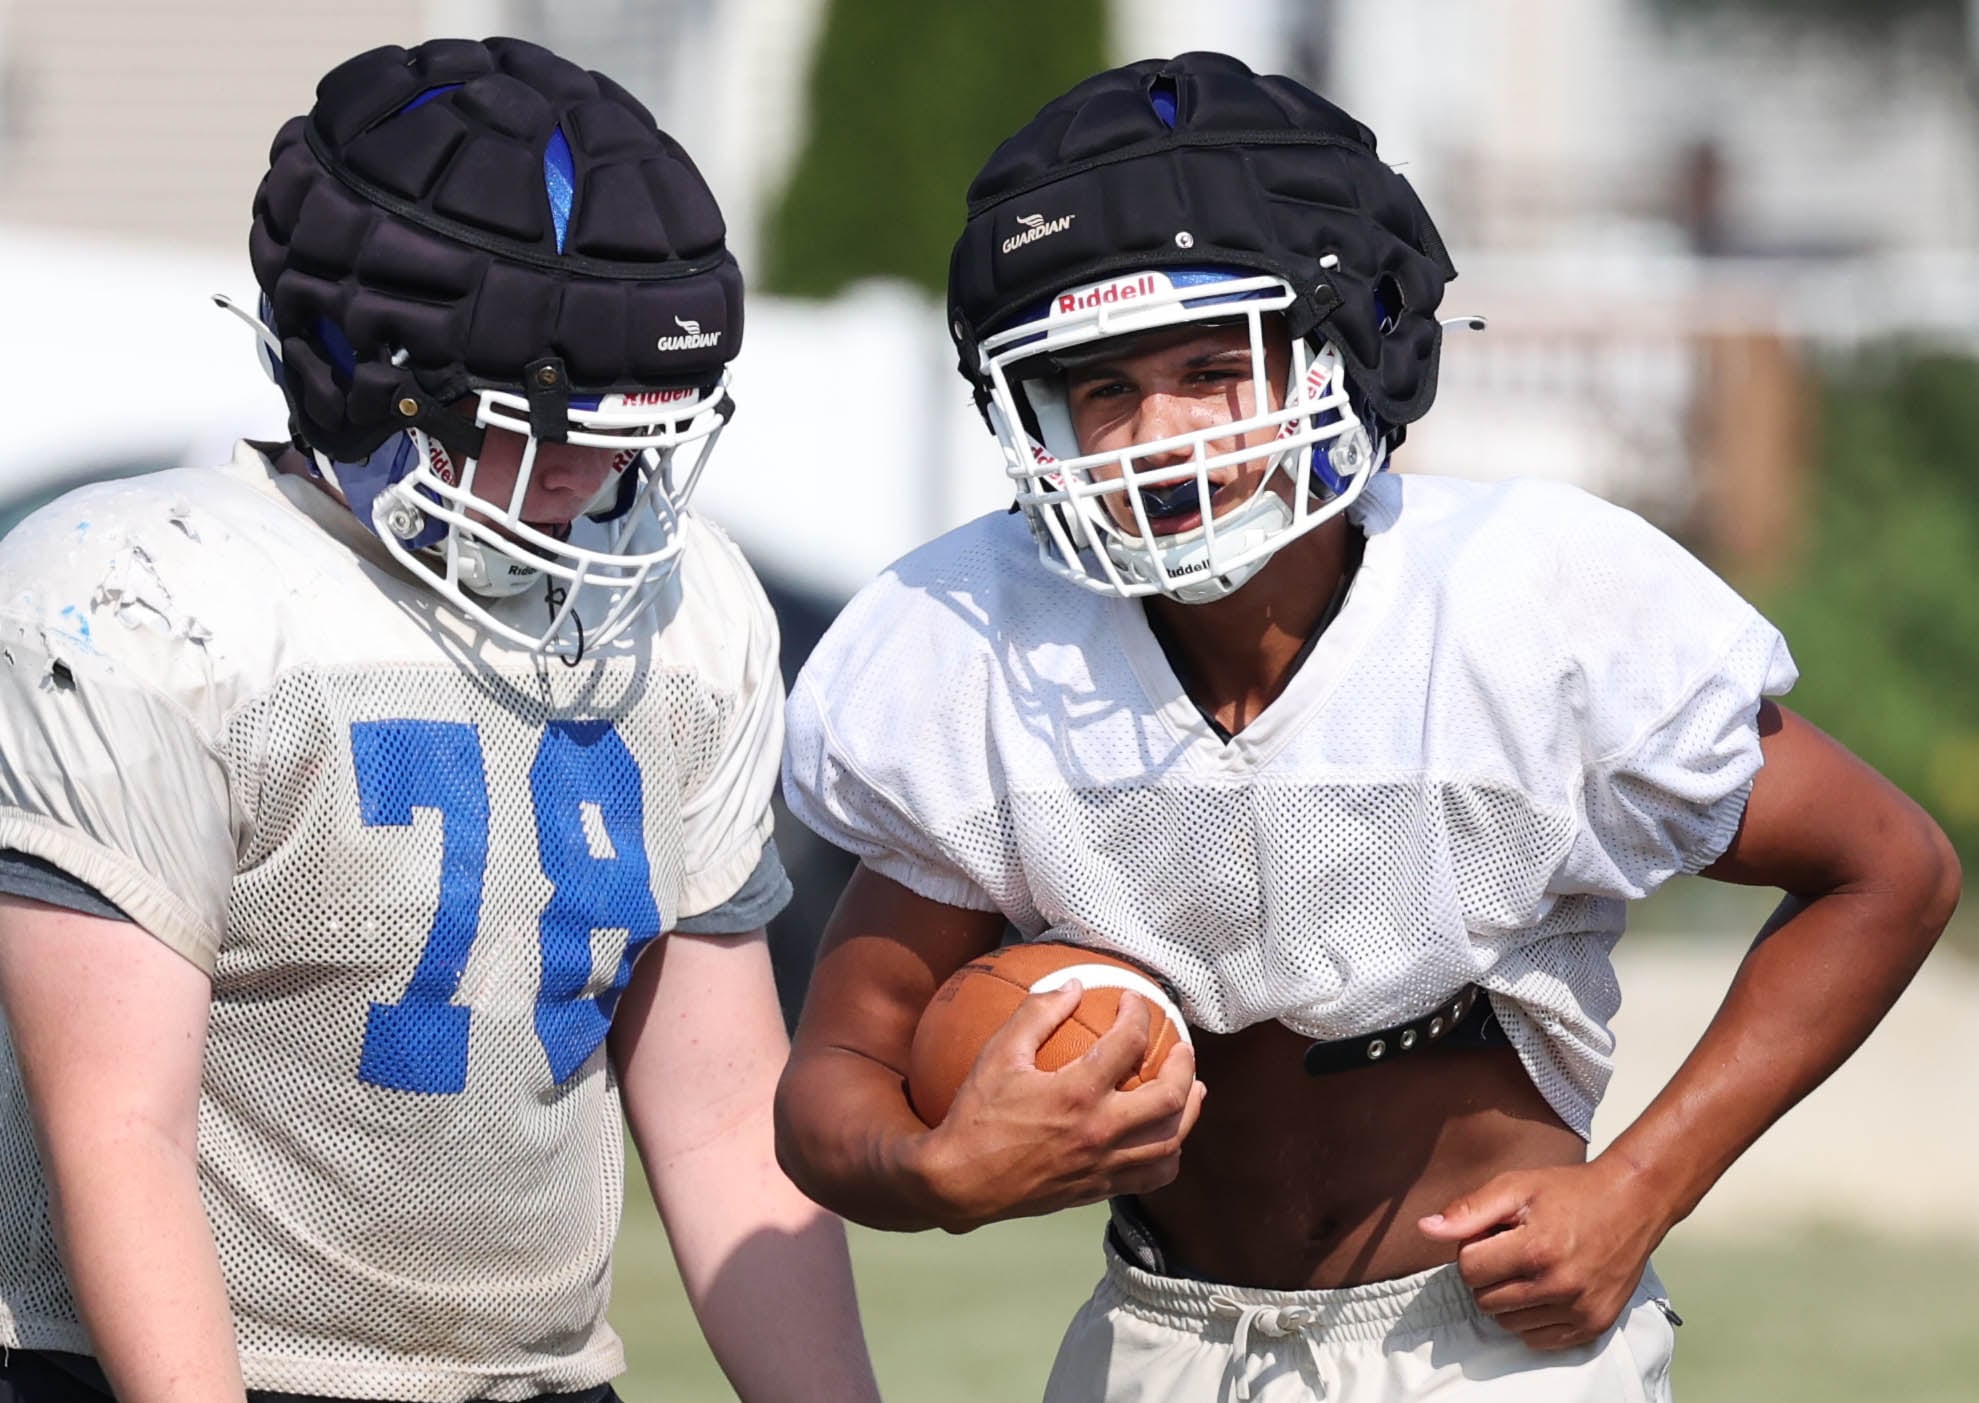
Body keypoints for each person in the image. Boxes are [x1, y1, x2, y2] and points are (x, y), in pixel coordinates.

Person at [772, 51, 1960, 1402]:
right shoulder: (979, 646)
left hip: (1494, 1345)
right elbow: (835, 1077)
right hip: (1162, 1339)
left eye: (1218, 366)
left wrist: (1645, 1186)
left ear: (1349, 351)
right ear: (1033, 414)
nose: (1160, 432)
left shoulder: (1526, 602)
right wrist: (931, 1174)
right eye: (1103, 389)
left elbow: (1890, 867)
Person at [0, 37, 882, 1403]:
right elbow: (119, 1131)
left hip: (538, 1376)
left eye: (627, 430)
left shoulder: (686, 610)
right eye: (553, 424)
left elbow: (716, 1117)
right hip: (179, 1365)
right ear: (375, 374)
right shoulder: (145, 605)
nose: (600, 478)